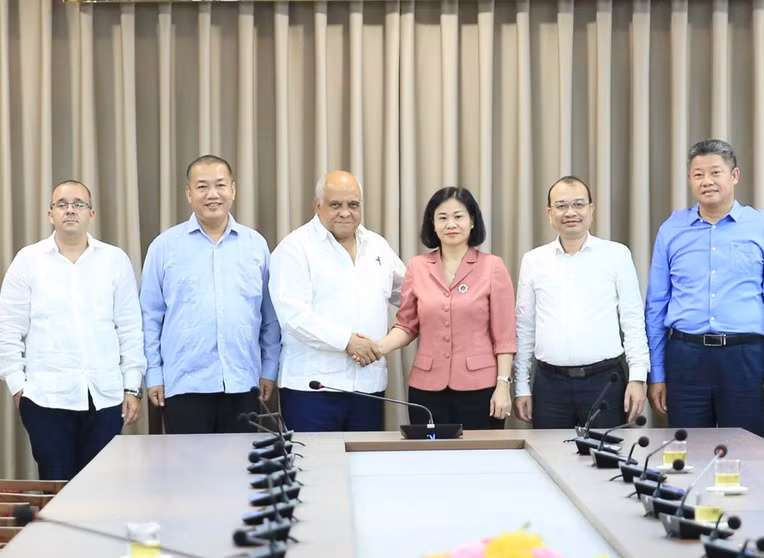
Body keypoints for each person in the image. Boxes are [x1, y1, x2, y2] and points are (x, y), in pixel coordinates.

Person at [645, 139, 764, 437]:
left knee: (744, 455)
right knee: (687, 456)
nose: (707, 181)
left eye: (715, 172)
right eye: (698, 174)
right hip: (685, 357)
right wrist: (657, 374)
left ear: (734, 176)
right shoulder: (671, 230)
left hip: (744, 359)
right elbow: (656, 307)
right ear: (689, 180)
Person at [0, 180, 145, 480]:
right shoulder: (28, 261)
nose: (70, 210)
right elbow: (8, 329)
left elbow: (130, 328)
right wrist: (18, 386)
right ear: (50, 214)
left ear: (91, 213)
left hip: (105, 396)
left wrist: (132, 386)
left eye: (78, 204)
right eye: (62, 204)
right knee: (57, 487)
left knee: (100, 488)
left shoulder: (114, 260)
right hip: (44, 399)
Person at [140, 155, 281, 434]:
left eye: (220, 185)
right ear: (189, 193)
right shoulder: (164, 247)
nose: (212, 194)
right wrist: (154, 374)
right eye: (202, 187)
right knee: (189, 474)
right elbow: (149, 317)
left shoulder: (255, 245)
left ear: (233, 190)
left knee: (240, 472)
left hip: (244, 381)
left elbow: (269, 316)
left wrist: (269, 368)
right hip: (183, 384)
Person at [268, 170, 405, 432]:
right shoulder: (295, 248)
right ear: (317, 205)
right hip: (312, 390)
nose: (345, 212)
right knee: (315, 471)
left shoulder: (377, 246)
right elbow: (293, 316)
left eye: (353, 204)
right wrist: (348, 341)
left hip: (368, 387)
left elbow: (410, 295)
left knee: (364, 470)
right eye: (336, 205)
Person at [513, 176, 649, 429]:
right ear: (549, 213)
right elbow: (524, 327)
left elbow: (633, 320)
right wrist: (521, 385)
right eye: (561, 206)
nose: (570, 212)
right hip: (549, 385)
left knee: (605, 463)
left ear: (591, 209)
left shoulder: (616, 255)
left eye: (578, 204)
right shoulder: (534, 260)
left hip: (605, 382)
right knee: (549, 460)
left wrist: (638, 378)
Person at [374, 186, 515, 430]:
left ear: (472, 221)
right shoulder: (417, 267)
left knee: (481, 463)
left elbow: (504, 336)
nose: (451, 224)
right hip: (426, 389)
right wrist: (378, 348)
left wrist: (503, 385)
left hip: (480, 388)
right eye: (442, 217)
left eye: (458, 216)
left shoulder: (493, 267)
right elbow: (407, 325)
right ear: (433, 224)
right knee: (430, 462)